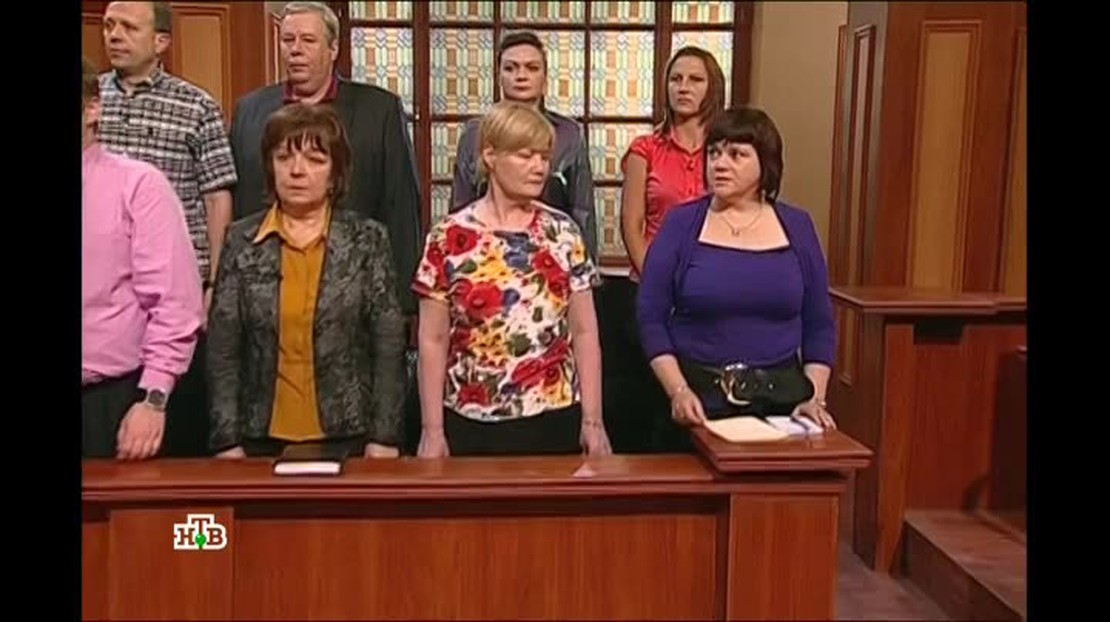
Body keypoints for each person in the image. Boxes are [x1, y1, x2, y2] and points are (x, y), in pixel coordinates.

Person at [207, 104, 407, 459]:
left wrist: (385, 437)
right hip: (259, 439)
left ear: (335, 174)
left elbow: (389, 346)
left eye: (315, 160)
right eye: (284, 157)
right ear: (270, 167)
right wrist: (226, 441)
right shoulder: (241, 241)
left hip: (350, 436)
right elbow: (223, 349)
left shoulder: (367, 240)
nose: (297, 171)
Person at [413, 101, 611, 457]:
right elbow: (432, 339)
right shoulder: (448, 237)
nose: (539, 167)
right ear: (490, 155)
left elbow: (584, 332)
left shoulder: (562, 232)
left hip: (554, 418)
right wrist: (432, 431)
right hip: (470, 422)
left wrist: (593, 422)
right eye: (525, 155)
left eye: (544, 157)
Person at [637, 106, 838, 446]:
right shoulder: (682, 224)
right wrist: (678, 390)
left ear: (765, 163)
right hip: (697, 402)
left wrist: (814, 398)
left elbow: (819, 323)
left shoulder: (798, 226)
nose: (720, 163)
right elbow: (650, 316)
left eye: (736, 154)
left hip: (782, 405)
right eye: (714, 153)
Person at [97, 1, 238, 456]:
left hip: (175, 293)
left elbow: (216, 196)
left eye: (128, 27)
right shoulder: (92, 102)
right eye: (109, 26)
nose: (114, 35)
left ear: (160, 41)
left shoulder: (195, 105)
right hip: (106, 295)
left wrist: (213, 281)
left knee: (172, 439)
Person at [229, 1, 421, 315]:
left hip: (355, 290)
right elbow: (240, 204)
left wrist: (402, 305)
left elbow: (400, 205)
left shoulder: (379, 110)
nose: (295, 49)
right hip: (267, 290)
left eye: (308, 40)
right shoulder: (250, 111)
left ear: (333, 49)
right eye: (288, 40)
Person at [82, 56, 205, 460]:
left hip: (110, 403)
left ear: (93, 109)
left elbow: (175, 305)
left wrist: (153, 399)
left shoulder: (138, 186)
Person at [614, 46, 727, 452]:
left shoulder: (725, 150)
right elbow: (632, 225)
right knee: (651, 407)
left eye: (695, 79)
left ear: (712, 87)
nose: (683, 87)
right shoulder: (645, 148)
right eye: (676, 79)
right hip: (651, 287)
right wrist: (658, 283)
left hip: (713, 290)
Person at [451, 31, 597, 259]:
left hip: (554, 252)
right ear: (499, 77)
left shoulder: (569, 134)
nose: (521, 76)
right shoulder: (475, 133)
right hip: (483, 254)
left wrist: (586, 265)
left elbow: (582, 211)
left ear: (545, 79)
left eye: (531, 68)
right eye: (511, 68)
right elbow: (461, 203)